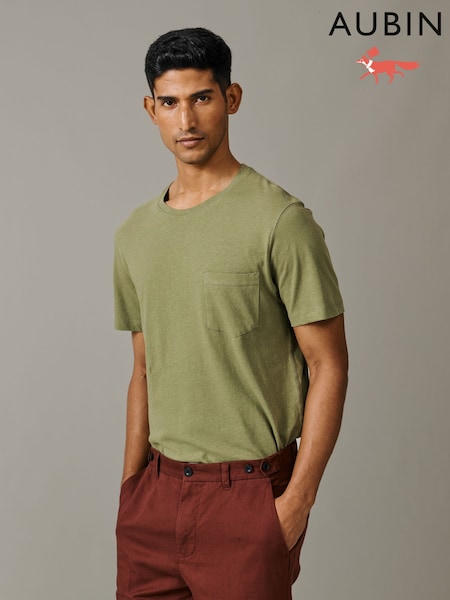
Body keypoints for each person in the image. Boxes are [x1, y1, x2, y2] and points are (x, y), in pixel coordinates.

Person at [114, 27, 348, 600]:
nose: (186, 120)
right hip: (155, 498)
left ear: (231, 98)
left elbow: (329, 365)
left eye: (202, 97)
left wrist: (296, 503)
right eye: (170, 102)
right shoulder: (134, 234)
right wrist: (130, 491)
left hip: (248, 494)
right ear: (150, 110)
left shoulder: (281, 221)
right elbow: (142, 369)